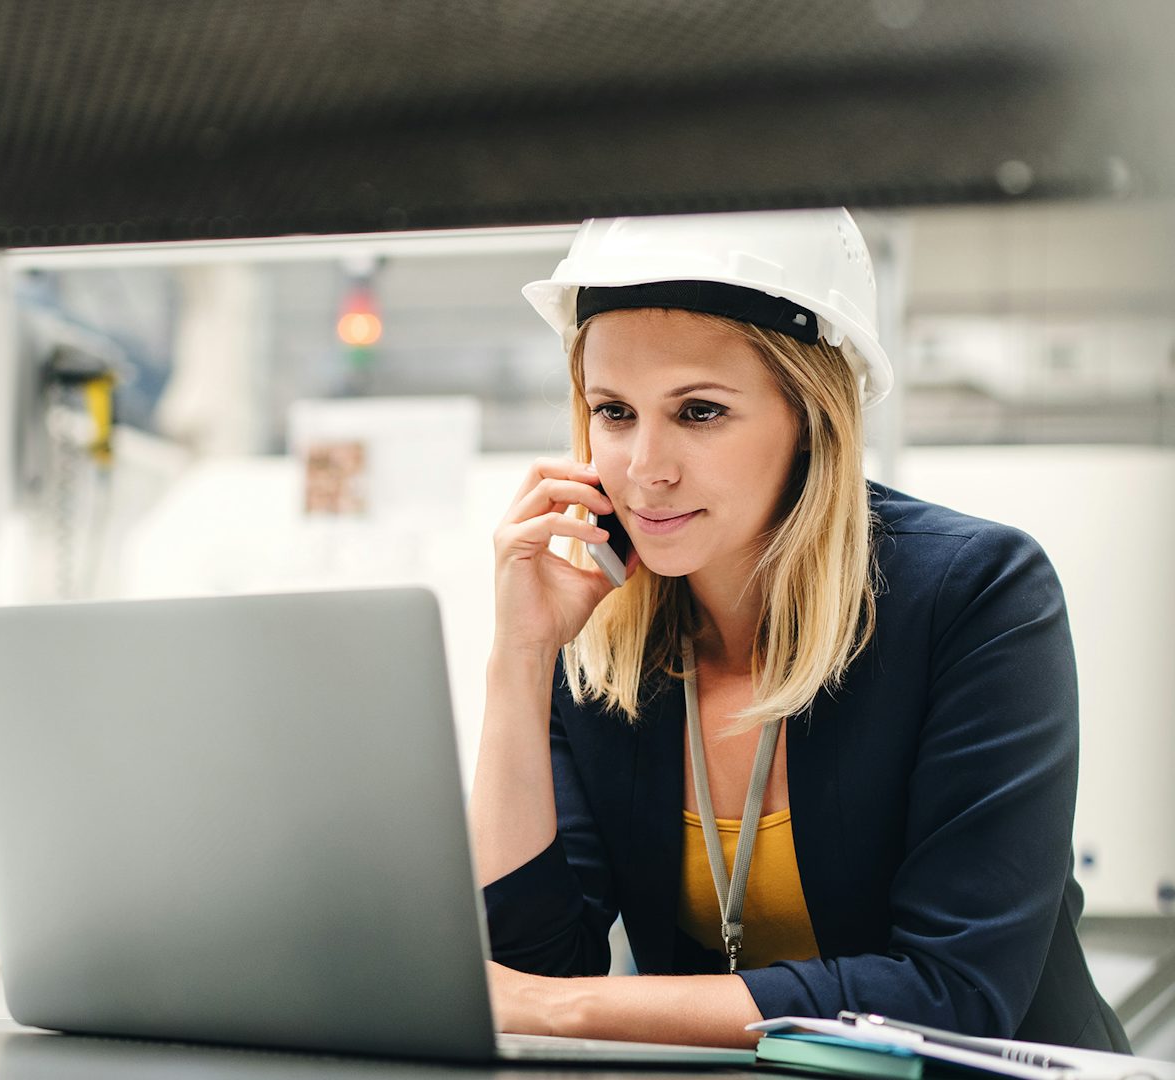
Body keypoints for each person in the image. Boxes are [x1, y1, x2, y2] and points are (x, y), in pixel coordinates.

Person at [471, 209, 1130, 1052]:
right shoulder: (604, 636)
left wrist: (560, 1009)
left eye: (700, 411)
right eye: (614, 412)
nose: (645, 469)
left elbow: (949, 995)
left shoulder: (977, 595)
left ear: (811, 416)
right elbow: (535, 962)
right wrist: (520, 657)